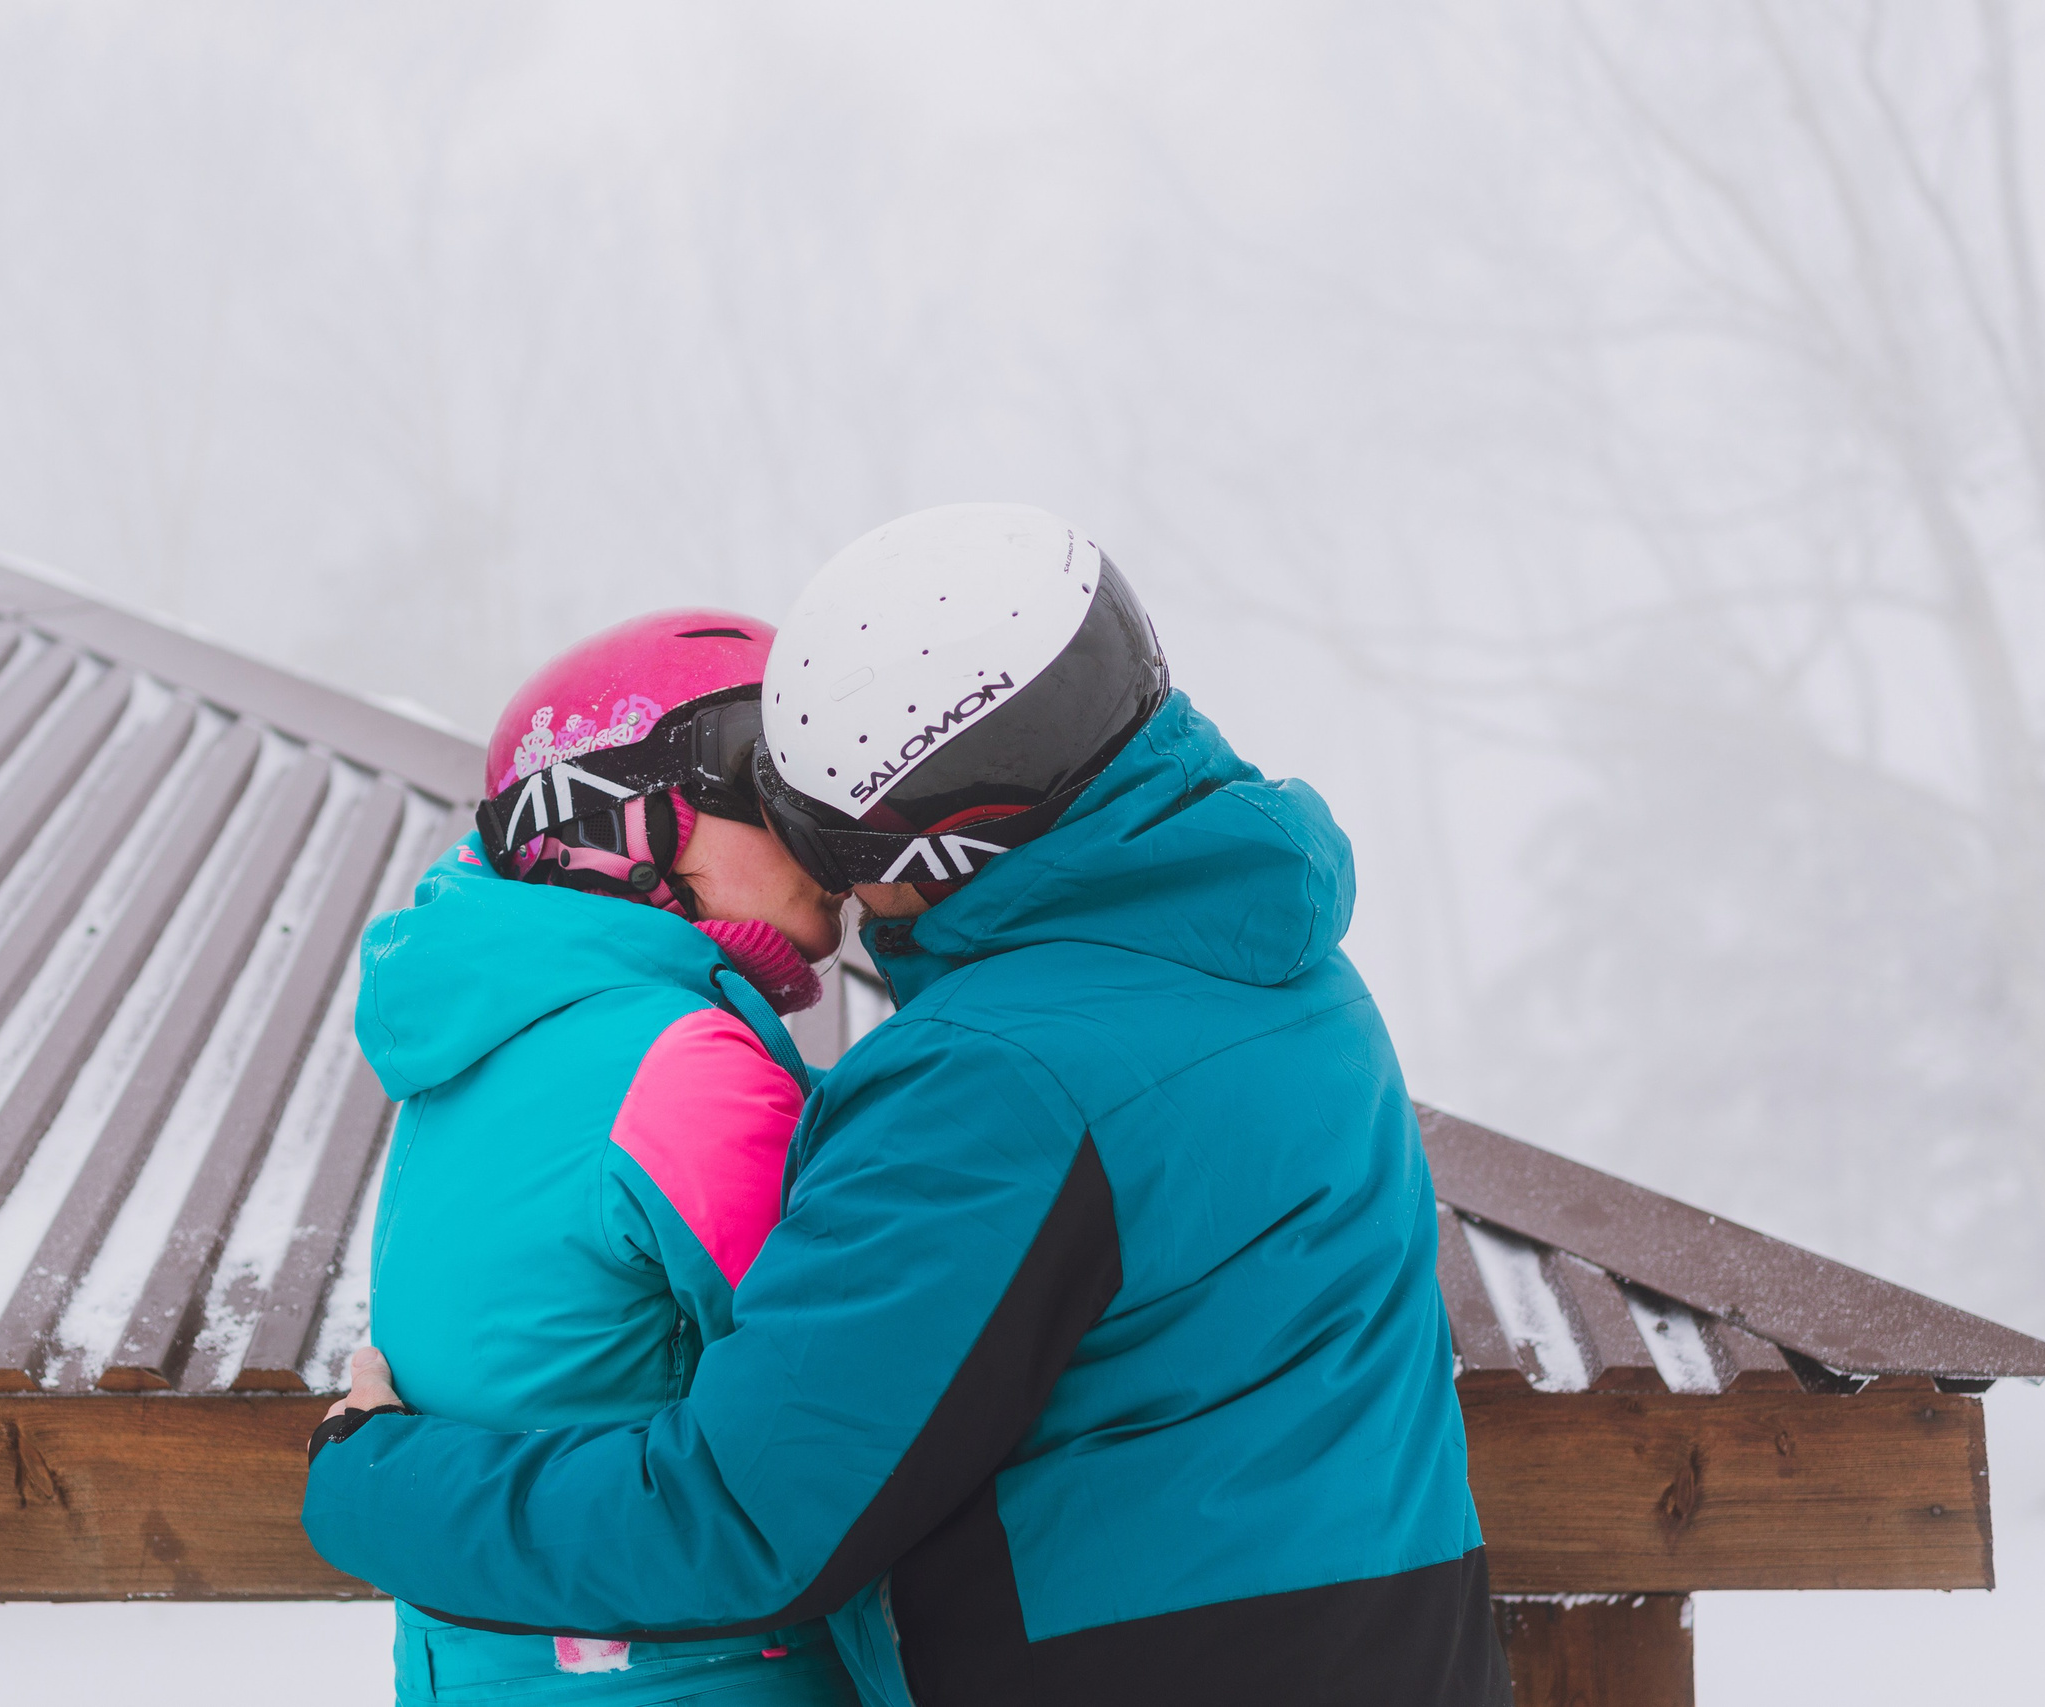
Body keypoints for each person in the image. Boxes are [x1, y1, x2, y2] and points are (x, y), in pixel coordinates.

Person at [312, 506, 1509, 1707]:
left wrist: (371, 1478)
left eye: (823, 825)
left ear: (939, 846)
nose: (830, 884)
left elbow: (739, 1518)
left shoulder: (993, 1079)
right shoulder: (1283, 971)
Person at [337, 609, 858, 1706]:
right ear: (624, 820)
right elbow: (853, 1404)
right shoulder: (683, 1063)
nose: (833, 833)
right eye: (775, 785)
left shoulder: (474, 1044)